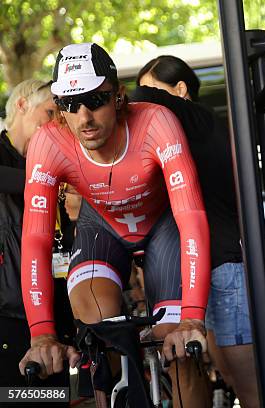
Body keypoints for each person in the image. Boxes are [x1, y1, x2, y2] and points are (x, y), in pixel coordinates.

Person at [18, 43, 210, 407]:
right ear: (60, 109)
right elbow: (35, 239)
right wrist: (41, 333)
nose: (85, 116)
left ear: (119, 96)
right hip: (102, 227)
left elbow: (192, 218)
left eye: (96, 99)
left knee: (180, 348)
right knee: (99, 330)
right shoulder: (48, 142)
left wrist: (193, 319)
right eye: (71, 104)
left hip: (162, 226)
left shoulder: (155, 122)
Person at [130, 55, 259, 408]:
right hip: (209, 268)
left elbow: (145, 98)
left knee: (250, 385)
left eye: (153, 89)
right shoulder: (181, 134)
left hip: (226, 266)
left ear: (181, 90)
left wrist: (108, 97)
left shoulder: (200, 119)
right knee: (230, 376)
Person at [0, 79, 73, 406]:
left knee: (50, 400)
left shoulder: (52, 164)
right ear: (21, 105)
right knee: (13, 399)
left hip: (51, 316)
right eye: (49, 112)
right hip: (7, 316)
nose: (54, 123)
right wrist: (45, 180)